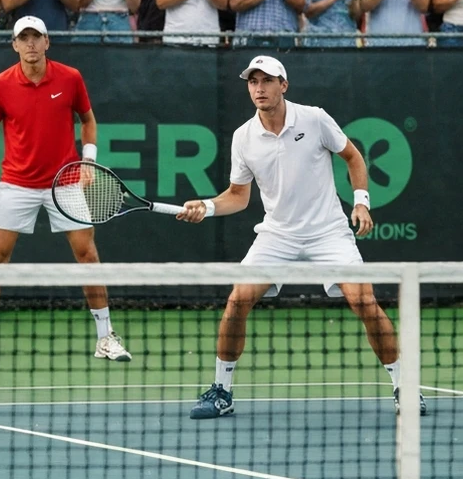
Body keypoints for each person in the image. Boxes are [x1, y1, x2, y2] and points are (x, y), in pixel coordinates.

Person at [177, 55, 425, 419]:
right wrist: (207, 206)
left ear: (284, 85)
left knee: (365, 302)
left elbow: (353, 157)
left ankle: (405, 385)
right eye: (253, 81)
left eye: (267, 80)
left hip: (328, 232)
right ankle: (222, 392)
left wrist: (361, 203)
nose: (259, 88)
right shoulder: (243, 137)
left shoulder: (314, 118)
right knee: (236, 302)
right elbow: (238, 196)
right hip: (277, 235)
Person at [0, 15, 131, 365]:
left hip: (64, 180)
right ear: (15, 45)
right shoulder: (0, 85)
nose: (31, 44)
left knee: (87, 255)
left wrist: (88, 161)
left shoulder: (70, 78)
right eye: (25, 38)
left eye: (37, 37)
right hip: (17, 183)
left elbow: (88, 120)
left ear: (47, 42)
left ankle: (105, 337)